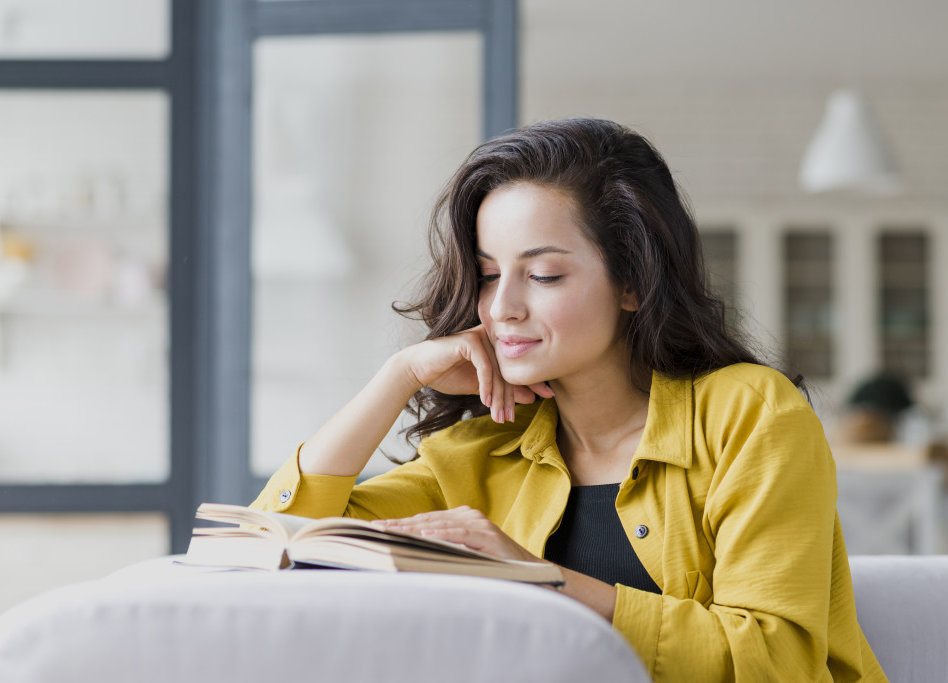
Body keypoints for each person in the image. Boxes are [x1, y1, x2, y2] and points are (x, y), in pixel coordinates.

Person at [252, 118, 888, 682]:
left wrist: (533, 576)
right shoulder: (484, 452)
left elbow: (778, 664)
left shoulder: (749, 414)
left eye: (544, 274)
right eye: (489, 274)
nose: (502, 308)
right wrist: (396, 378)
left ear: (633, 281)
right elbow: (278, 549)